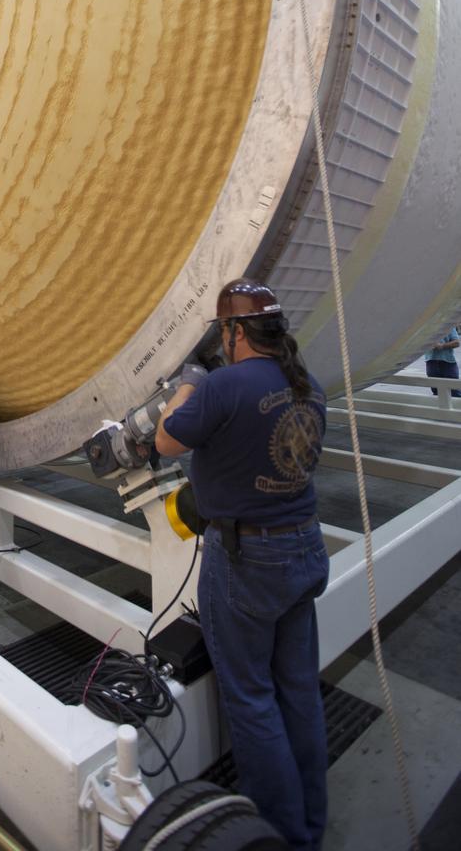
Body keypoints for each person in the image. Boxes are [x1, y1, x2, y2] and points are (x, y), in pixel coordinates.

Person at [155, 278, 329, 851]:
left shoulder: (223, 386)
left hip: (245, 561)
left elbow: (165, 441)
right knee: (298, 692)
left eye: (222, 332)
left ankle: (278, 837)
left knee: (252, 701)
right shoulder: (309, 386)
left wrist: (186, 385)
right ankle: (310, 827)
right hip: (303, 547)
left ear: (233, 333)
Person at [425, 327, 461, 398]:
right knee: (436, 392)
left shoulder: (448, 326)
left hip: (447, 362)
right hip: (431, 362)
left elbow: (457, 343)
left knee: (454, 392)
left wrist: (441, 346)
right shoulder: (425, 328)